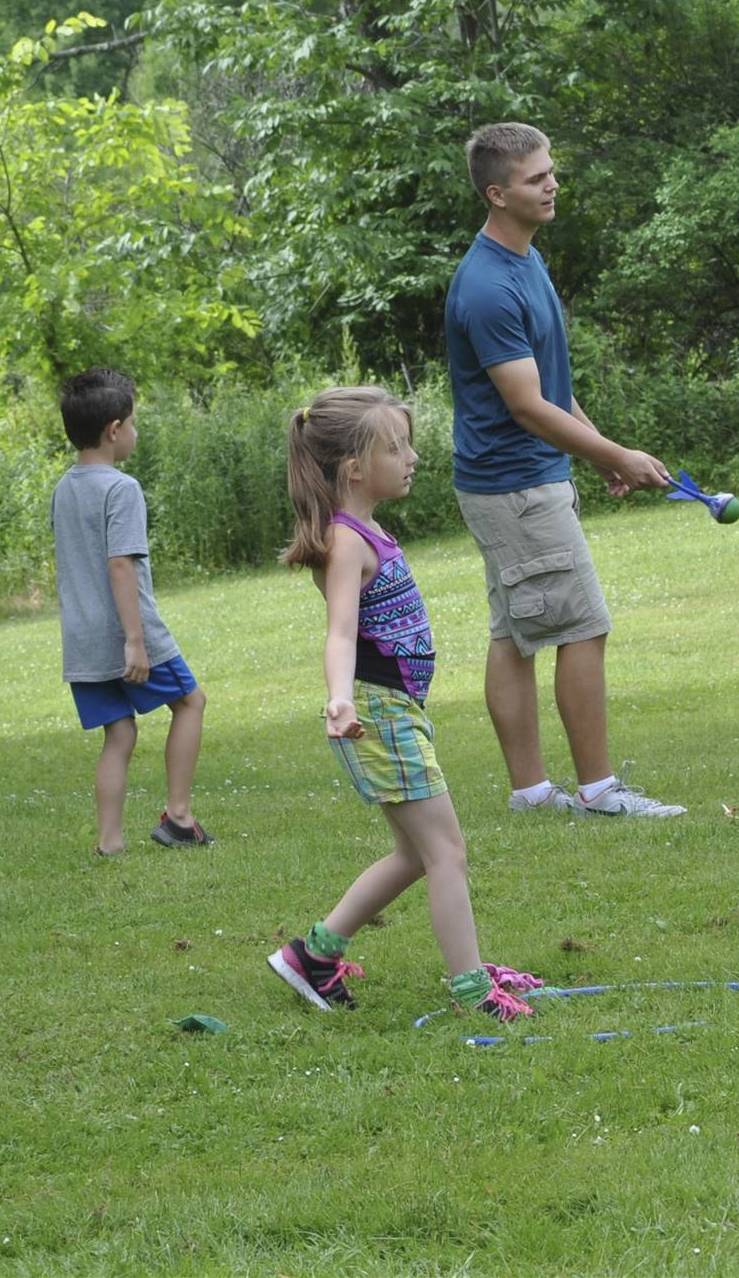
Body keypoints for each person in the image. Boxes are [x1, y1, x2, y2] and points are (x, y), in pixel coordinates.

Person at [267, 386, 538, 1020]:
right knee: (447, 853)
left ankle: (313, 955)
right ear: (355, 467)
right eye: (397, 447)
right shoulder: (345, 542)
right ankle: (472, 988)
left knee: (417, 854)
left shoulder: (365, 528)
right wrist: (339, 698)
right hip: (378, 713)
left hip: (397, 711)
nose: (412, 456)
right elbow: (339, 632)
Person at [444, 121, 685, 818]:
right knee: (582, 625)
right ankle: (601, 791)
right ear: (497, 193)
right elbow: (524, 405)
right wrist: (614, 455)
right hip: (515, 481)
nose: (551, 184)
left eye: (550, 171)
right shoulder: (488, 286)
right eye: (534, 177)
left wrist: (597, 445)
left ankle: (531, 792)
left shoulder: (526, 259)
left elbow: (548, 383)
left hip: (521, 475)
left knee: (511, 634)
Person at [52, 368, 210, 856]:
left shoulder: (64, 488)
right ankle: (179, 817)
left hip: (81, 639)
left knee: (118, 733)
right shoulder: (121, 488)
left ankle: (110, 842)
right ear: (114, 430)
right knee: (190, 702)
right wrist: (135, 641)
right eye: (134, 424)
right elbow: (120, 564)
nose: (136, 434)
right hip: (126, 632)